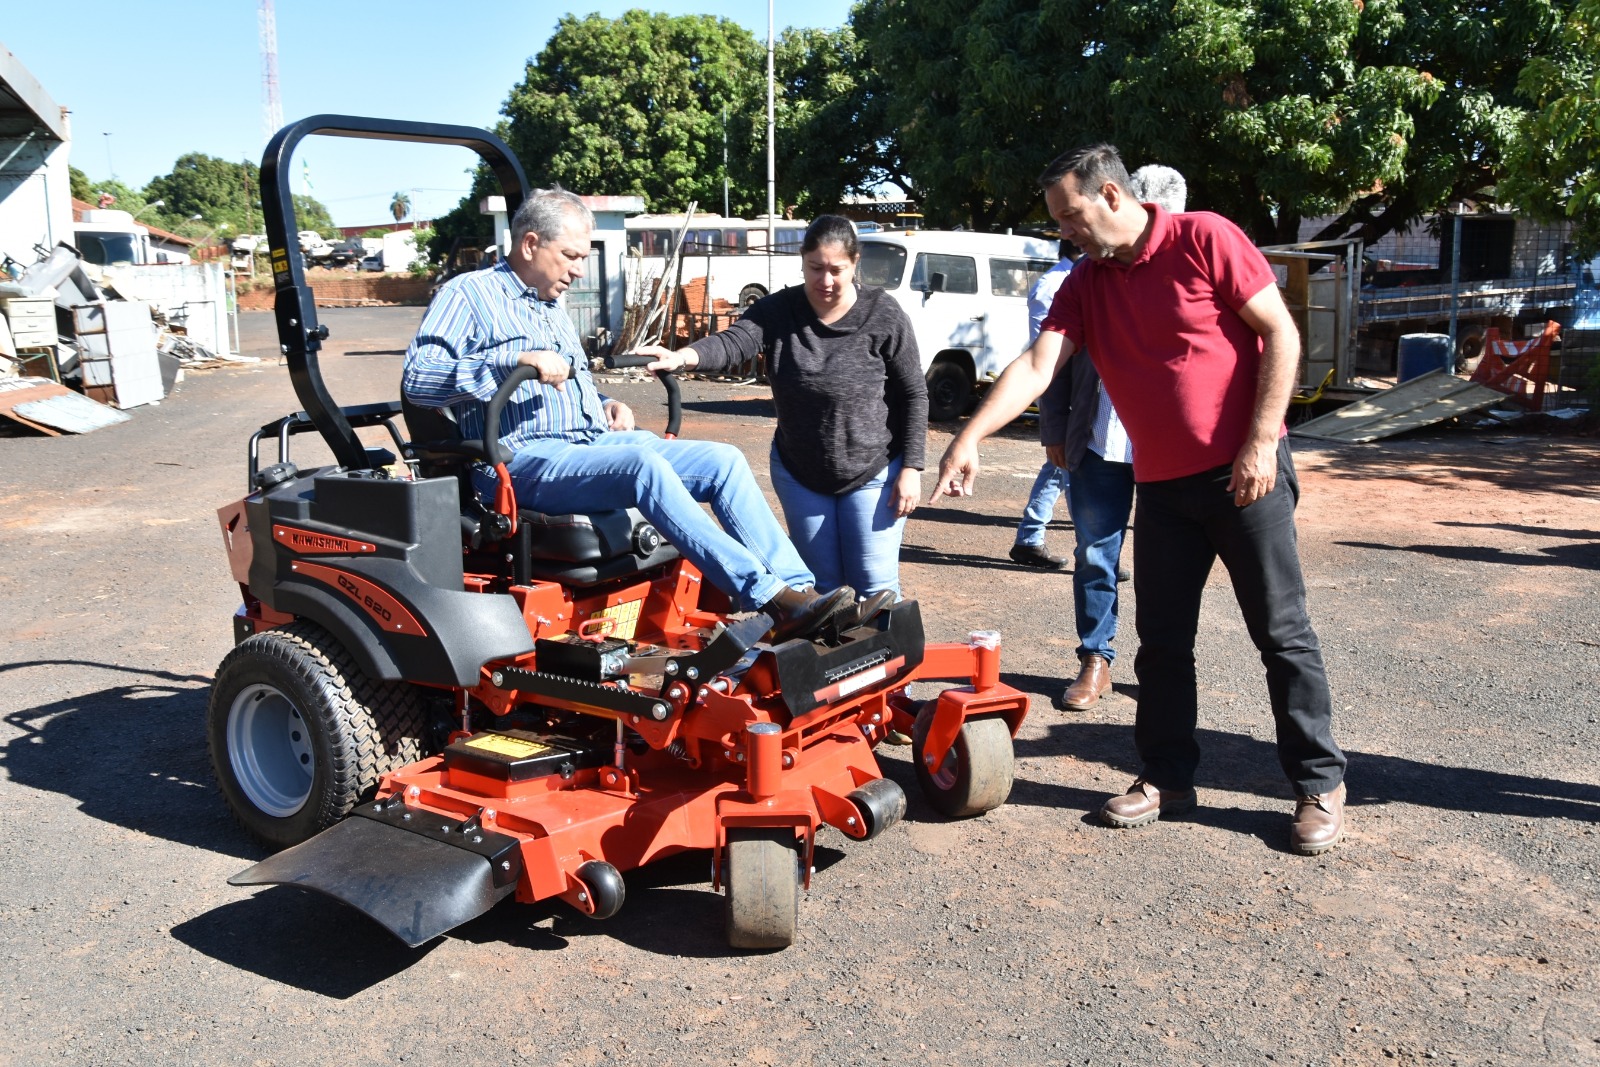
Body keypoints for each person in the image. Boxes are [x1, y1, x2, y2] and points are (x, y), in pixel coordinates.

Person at [928, 144, 1348, 856]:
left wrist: (1256, 442)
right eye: (1059, 220)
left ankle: (1317, 783)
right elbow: (1037, 365)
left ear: (1112, 196)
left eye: (1071, 215)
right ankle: (1166, 777)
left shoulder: (1205, 237)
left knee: (1281, 634)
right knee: (1162, 645)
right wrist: (968, 436)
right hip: (1160, 485)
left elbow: (1280, 330)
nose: (1065, 230)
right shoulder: (1087, 283)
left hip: (1245, 474)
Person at [401, 187, 856, 644]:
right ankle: (767, 595)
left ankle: (800, 593)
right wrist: (512, 361)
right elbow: (419, 380)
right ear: (530, 244)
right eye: (571, 256)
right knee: (644, 468)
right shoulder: (470, 294)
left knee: (724, 461)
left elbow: (566, 382)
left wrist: (600, 404)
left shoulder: (550, 306)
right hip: (521, 461)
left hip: (586, 445)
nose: (580, 270)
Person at [641, 215, 926, 607]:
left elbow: (914, 393)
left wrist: (912, 467)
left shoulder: (883, 314)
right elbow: (733, 342)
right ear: (802, 261)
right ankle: (827, 668)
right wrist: (684, 356)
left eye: (837, 270)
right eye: (816, 268)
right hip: (801, 472)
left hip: (873, 471)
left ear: (855, 264)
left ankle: (888, 668)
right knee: (818, 591)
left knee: (875, 589)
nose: (825, 280)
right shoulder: (780, 310)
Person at [1046, 164, 1183, 712]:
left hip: (1166, 449)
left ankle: (1163, 662)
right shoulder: (1087, 277)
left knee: (1163, 562)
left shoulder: (1184, 267)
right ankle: (1095, 657)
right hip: (1098, 445)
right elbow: (1051, 357)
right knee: (1096, 555)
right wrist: (1055, 428)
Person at [1007, 248, 1076, 571]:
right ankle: (1094, 548)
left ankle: (1030, 538)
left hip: (1075, 385)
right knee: (1069, 463)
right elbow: (1046, 345)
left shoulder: (1071, 278)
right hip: (1060, 383)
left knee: (1063, 466)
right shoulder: (1055, 283)